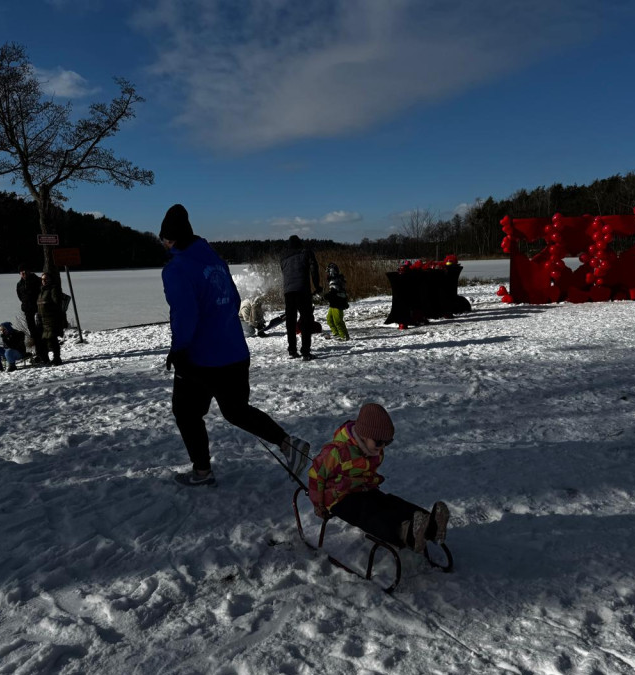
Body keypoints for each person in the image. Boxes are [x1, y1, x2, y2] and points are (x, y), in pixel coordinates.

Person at [159, 203, 311, 487]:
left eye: (165, 240)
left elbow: (185, 313)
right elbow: (234, 300)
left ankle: (202, 472)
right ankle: (289, 444)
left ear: (173, 239)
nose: (164, 245)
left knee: (186, 412)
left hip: (201, 358)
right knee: (236, 410)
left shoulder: (176, 268)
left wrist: (179, 349)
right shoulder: (216, 260)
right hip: (235, 353)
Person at [307, 403, 450, 553]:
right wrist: (319, 505)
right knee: (368, 513)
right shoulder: (337, 452)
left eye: (387, 442)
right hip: (339, 498)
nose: (382, 447)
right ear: (364, 435)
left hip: (364, 489)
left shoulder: (374, 450)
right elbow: (316, 475)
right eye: (379, 442)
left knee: (390, 503)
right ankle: (405, 533)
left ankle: (431, 526)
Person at [280, 235, 320, 360]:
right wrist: (317, 286)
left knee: (290, 322)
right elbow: (314, 269)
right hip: (303, 290)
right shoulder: (306, 252)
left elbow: (284, 272)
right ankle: (306, 352)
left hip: (288, 292)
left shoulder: (283, 257)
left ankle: (292, 350)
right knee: (306, 320)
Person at [16, 267, 47, 364]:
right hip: (28, 311)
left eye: (25, 271)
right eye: (21, 272)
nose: (23, 273)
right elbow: (20, 296)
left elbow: (43, 293)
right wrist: (25, 305)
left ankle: (44, 356)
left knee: (41, 333)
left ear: (29, 271)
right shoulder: (19, 284)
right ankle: (38, 355)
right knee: (33, 334)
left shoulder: (37, 280)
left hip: (39, 310)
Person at [37, 272, 66, 365]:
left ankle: (57, 358)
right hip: (43, 319)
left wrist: (55, 315)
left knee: (52, 339)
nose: (44, 281)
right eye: (42, 279)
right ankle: (45, 359)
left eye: (45, 279)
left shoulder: (53, 289)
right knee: (44, 340)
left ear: (50, 280)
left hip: (51, 319)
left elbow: (57, 304)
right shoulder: (42, 291)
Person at [324, 263, 350, 341]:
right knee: (329, 319)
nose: (327, 273)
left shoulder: (336, 280)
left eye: (328, 271)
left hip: (338, 303)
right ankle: (336, 333)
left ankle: (344, 336)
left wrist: (326, 296)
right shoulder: (334, 279)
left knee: (338, 321)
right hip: (334, 303)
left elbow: (334, 292)